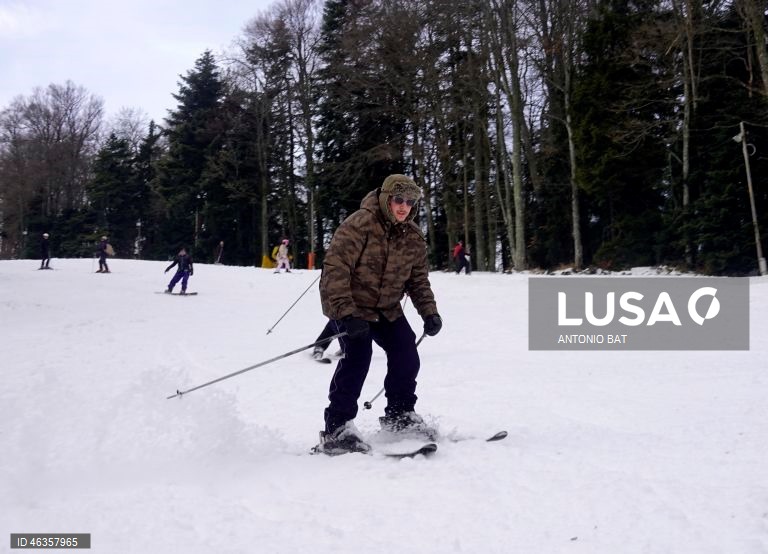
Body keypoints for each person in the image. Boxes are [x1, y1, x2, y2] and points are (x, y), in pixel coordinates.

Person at [316, 174, 443, 454]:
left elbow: (418, 280)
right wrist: (347, 314)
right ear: (386, 198)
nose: (403, 207)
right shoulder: (359, 224)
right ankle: (337, 427)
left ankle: (399, 415)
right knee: (358, 357)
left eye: (410, 202)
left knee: (406, 352)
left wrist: (429, 312)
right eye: (398, 200)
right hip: (353, 305)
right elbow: (335, 271)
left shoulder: (412, 236)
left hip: (386, 307)